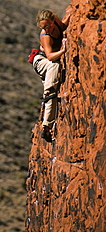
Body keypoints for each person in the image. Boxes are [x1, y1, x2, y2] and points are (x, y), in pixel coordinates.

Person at [33, 9, 70, 142]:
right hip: (42, 62)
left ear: (53, 20)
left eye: (49, 25)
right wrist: (64, 51)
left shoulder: (57, 23)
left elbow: (64, 25)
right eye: (44, 27)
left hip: (51, 61)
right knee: (51, 90)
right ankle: (46, 126)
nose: (47, 29)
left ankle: (46, 119)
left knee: (54, 70)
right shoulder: (45, 36)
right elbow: (49, 56)